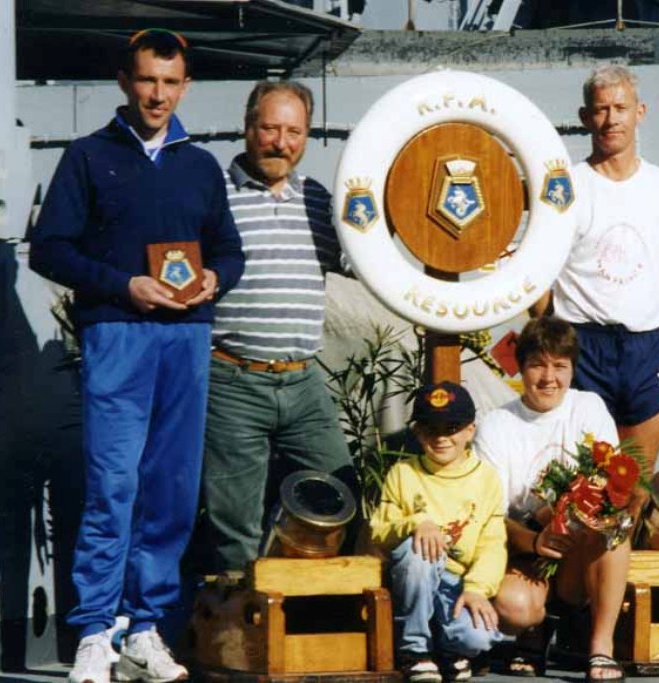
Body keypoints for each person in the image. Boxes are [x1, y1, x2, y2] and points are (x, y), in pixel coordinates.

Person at [29, 29, 245, 683]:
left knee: (172, 490)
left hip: (186, 339)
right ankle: (96, 632)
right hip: (118, 334)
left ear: (185, 87)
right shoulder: (89, 158)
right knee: (112, 485)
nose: (158, 93)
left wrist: (216, 281)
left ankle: (145, 629)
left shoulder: (200, 166)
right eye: (147, 79)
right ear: (125, 81)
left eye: (169, 82)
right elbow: (50, 250)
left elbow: (229, 251)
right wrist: (124, 284)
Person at [195, 80, 359, 574]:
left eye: (294, 131)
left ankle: (322, 619)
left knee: (341, 494)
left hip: (303, 380)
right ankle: (238, 638)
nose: (280, 142)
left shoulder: (316, 200)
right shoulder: (213, 196)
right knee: (235, 523)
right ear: (248, 128)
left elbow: (359, 261)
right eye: (269, 128)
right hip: (232, 380)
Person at [536, 64, 659, 517]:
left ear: (640, 112)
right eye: (601, 110)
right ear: (585, 117)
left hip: (646, 345)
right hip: (581, 344)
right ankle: (577, 589)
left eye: (621, 108)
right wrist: (552, 331)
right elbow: (535, 272)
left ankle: (619, 583)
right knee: (582, 481)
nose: (611, 119)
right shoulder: (565, 187)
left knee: (634, 482)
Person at [474, 317, 628, 682]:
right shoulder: (497, 424)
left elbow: (613, 486)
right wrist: (535, 542)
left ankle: (600, 647)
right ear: (521, 368)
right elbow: (489, 517)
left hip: (581, 542)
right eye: (537, 365)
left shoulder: (588, 407)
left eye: (560, 366)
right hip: (526, 545)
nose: (548, 378)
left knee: (614, 527)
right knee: (515, 608)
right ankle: (535, 630)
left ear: (573, 369)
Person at [370, 381, 505, 683]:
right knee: (422, 550)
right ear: (418, 432)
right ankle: (415, 649)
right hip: (414, 577)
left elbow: (493, 543)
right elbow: (379, 530)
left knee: (479, 638)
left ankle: (445, 648)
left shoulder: (486, 478)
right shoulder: (404, 473)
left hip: (457, 580)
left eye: (453, 427)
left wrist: (477, 588)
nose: (442, 437)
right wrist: (415, 523)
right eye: (432, 428)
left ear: (470, 430)